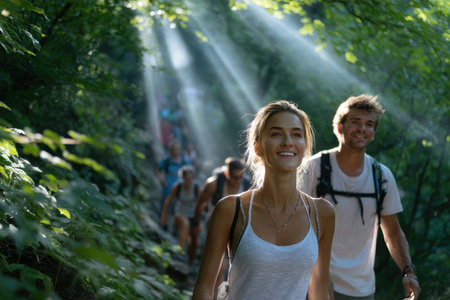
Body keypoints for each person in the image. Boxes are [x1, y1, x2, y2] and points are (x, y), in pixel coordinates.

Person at [192, 100, 335, 300]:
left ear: (305, 145)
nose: (288, 141)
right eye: (276, 133)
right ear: (257, 146)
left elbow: (319, 291)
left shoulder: (322, 213)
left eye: (296, 134)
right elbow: (204, 290)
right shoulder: (231, 209)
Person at [299, 94, 421, 300]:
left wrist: (408, 272)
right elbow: (297, 225)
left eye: (369, 124)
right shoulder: (314, 168)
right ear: (340, 127)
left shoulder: (381, 176)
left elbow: (392, 232)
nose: (362, 129)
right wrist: (316, 276)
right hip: (314, 285)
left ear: (373, 133)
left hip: (362, 290)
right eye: (355, 122)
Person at [190, 157, 251, 266]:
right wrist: (196, 223)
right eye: (235, 177)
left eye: (240, 177)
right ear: (227, 174)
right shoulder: (214, 184)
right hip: (214, 222)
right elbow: (201, 203)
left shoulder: (247, 186)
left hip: (236, 225)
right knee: (220, 265)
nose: (238, 181)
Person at [160, 165, 199, 262]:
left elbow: (201, 205)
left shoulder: (197, 188)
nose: (188, 181)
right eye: (186, 179)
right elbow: (168, 201)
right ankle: (181, 253)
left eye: (190, 179)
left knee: (193, 240)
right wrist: (164, 216)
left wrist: (200, 221)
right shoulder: (178, 186)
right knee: (185, 224)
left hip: (192, 215)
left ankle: (190, 262)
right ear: (183, 178)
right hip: (179, 213)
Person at [156, 140, 190, 223]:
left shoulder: (184, 161)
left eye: (177, 149)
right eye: (174, 149)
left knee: (178, 209)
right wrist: (161, 179)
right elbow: (158, 169)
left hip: (180, 189)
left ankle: (175, 228)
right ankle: (163, 223)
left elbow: (189, 173)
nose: (176, 151)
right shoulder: (167, 161)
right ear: (170, 150)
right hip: (168, 188)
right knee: (165, 206)